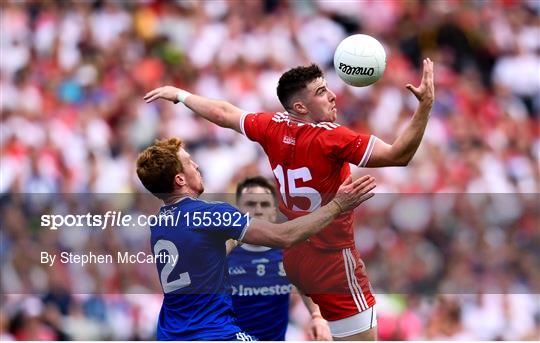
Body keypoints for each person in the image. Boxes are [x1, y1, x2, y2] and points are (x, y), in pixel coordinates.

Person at [143, 58, 434, 340]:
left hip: (294, 259)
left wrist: (181, 95)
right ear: (300, 106)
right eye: (321, 92)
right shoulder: (332, 137)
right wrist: (425, 106)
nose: (333, 96)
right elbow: (399, 154)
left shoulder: (273, 126)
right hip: (331, 256)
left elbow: (224, 113)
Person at [135, 138, 376, 340]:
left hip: (170, 333)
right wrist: (337, 205)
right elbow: (285, 236)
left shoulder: (160, 223)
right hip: (213, 333)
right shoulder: (209, 214)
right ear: (179, 179)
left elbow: (208, 253)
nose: (196, 165)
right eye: (189, 162)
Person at [227, 176, 332, 341]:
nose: (258, 210)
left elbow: (306, 288)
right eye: (251, 204)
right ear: (238, 210)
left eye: (265, 204)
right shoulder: (224, 253)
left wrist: (317, 317)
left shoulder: (288, 252)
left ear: (274, 212)